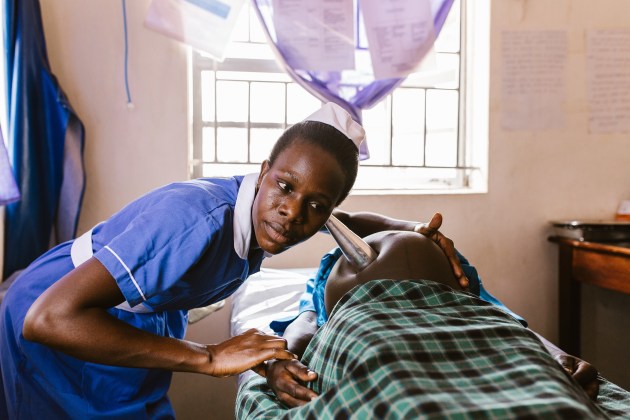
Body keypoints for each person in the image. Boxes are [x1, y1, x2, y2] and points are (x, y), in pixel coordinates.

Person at [0, 102, 467, 419]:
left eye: (316, 205)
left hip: (121, 320)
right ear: (264, 172)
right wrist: (209, 356)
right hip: (59, 315)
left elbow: (345, 219)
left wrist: (413, 231)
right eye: (286, 187)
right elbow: (48, 319)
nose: (293, 212)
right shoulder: (193, 223)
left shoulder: (279, 210)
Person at [264, 230, 600, 408]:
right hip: (369, 326)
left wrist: (554, 355)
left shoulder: (452, 261)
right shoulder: (328, 266)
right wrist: (282, 359)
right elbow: (307, 318)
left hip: (448, 315)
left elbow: (488, 314)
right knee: (393, 376)